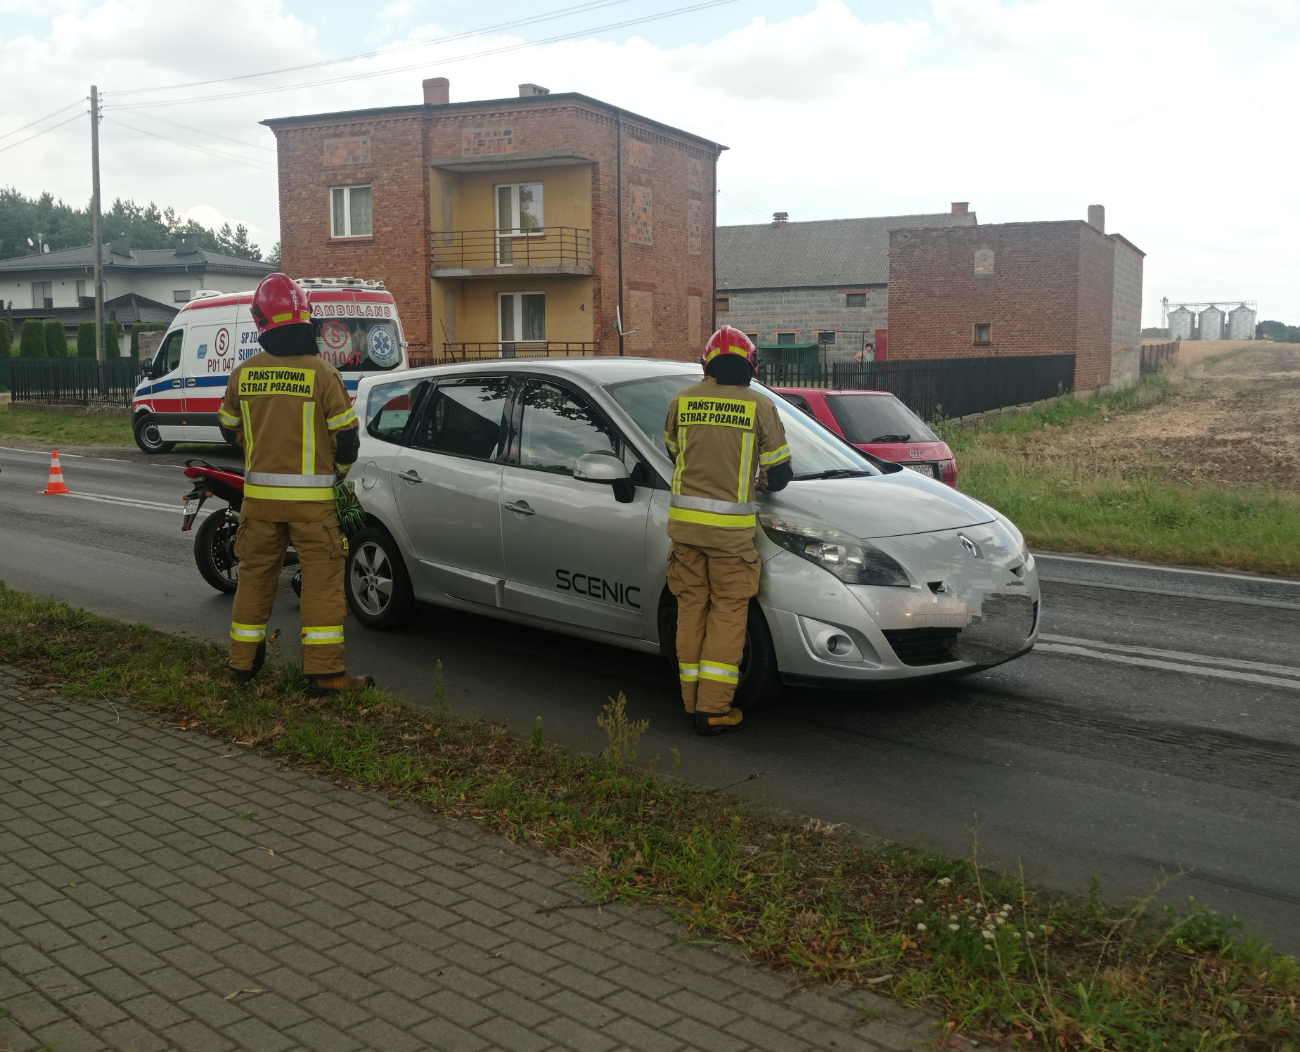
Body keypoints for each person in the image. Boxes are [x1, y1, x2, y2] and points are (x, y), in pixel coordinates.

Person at [217, 272, 372, 693]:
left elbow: (227, 428)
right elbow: (348, 443)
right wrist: (334, 475)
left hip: (259, 505)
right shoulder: (322, 374)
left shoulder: (244, 374)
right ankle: (326, 676)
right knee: (321, 584)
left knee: (253, 580)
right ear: (306, 318)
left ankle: (242, 666)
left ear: (261, 322)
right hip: (314, 507)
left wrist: (257, 444)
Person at [663, 326, 793, 735]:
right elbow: (781, 473)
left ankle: (690, 702)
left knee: (691, 612)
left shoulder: (682, 401)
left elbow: (672, 450)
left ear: (708, 364)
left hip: (685, 531)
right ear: (751, 367)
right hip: (730, 539)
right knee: (728, 614)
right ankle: (714, 710)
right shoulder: (759, 407)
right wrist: (758, 480)